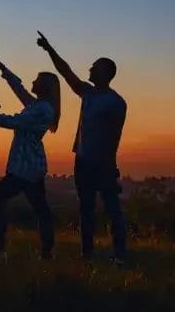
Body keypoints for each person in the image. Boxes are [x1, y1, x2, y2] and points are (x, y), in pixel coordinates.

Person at [36, 31, 128, 266]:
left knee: (112, 210)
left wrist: (108, 165)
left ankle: (120, 255)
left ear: (105, 73)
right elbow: (66, 73)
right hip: (83, 161)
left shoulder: (116, 103)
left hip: (102, 164)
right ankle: (87, 254)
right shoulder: (88, 93)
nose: (90, 68)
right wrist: (49, 49)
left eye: (95, 66)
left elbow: (113, 138)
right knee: (86, 210)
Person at [0, 48, 61, 262]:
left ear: (45, 86)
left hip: (25, 167)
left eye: (37, 80)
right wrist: (1, 66)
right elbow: (18, 87)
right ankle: (46, 253)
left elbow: (14, 122)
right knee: (41, 209)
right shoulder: (38, 105)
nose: (32, 82)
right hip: (29, 166)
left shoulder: (43, 110)